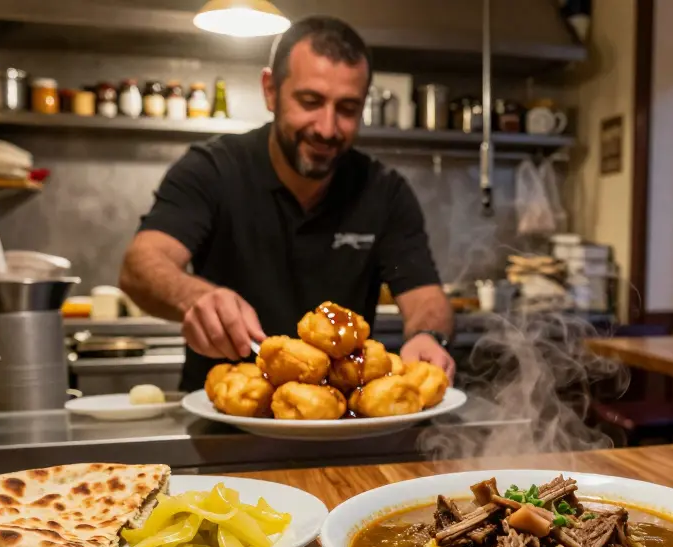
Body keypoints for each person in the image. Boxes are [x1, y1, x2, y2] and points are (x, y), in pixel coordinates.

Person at [120, 16, 455, 391]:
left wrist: (428, 335)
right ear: (270, 90)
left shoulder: (383, 190)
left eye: (347, 108)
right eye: (310, 101)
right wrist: (196, 296)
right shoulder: (212, 170)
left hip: (338, 423)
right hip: (223, 416)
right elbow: (141, 266)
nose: (327, 128)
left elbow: (425, 295)